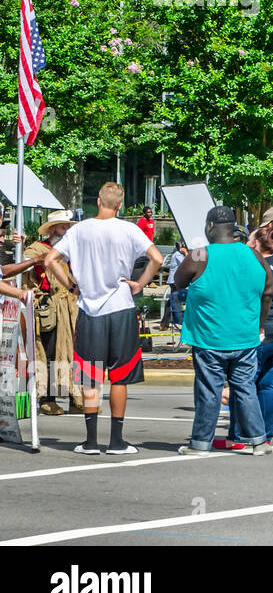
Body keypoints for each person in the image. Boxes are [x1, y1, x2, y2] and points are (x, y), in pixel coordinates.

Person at [46, 181, 162, 455]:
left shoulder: (81, 230)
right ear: (120, 206)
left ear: (98, 201)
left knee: (89, 376)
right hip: (121, 308)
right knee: (119, 378)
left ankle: (90, 441)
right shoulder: (129, 229)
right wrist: (139, 283)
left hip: (89, 310)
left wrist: (72, 285)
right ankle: (117, 441)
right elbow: (156, 258)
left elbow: (51, 259)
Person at [172, 206, 273, 456]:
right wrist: (260, 324)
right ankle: (258, 442)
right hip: (245, 338)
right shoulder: (254, 256)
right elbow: (269, 290)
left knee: (209, 390)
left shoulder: (199, 256)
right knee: (245, 388)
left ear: (209, 227)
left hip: (209, 338)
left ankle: (200, 444)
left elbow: (177, 281)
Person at [211, 223, 273, 450]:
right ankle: (264, 433)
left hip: (260, 333)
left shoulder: (255, 267)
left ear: (255, 243)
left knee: (242, 384)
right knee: (267, 383)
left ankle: (236, 436)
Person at [23, 211, 76, 416]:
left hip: (72, 306)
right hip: (50, 307)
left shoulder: (71, 250)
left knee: (74, 353)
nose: (67, 231)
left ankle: (75, 397)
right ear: (52, 229)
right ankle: (47, 399)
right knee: (50, 353)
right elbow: (26, 274)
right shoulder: (37, 249)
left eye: (68, 227)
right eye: (63, 227)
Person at [165, 241, 189, 331]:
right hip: (174, 281)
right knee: (175, 301)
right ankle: (178, 320)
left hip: (176, 281)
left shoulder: (180, 255)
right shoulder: (177, 254)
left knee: (170, 302)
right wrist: (186, 253)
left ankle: (164, 324)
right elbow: (187, 263)